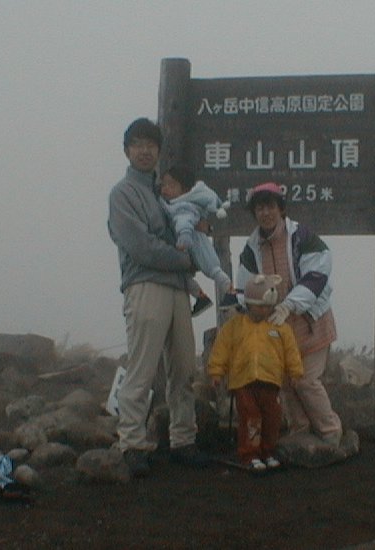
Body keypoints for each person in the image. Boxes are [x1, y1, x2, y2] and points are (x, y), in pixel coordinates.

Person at [107, 117, 209, 477]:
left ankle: (184, 440)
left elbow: (193, 229)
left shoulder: (166, 192)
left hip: (179, 289)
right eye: (137, 144)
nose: (145, 150)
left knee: (183, 368)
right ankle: (132, 444)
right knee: (142, 368)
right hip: (145, 285)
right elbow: (141, 248)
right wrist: (187, 259)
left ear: (159, 151)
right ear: (127, 151)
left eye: (151, 144)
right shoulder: (123, 194)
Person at [236, 182, 343, 447]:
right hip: (276, 329)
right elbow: (243, 288)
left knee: (305, 380)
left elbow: (317, 276)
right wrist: (252, 311)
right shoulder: (251, 249)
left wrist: (289, 305)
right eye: (259, 208)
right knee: (285, 382)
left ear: (281, 209)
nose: (265, 213)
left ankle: (330, 432)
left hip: (310, 322)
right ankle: (301, 433)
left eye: (270, 206)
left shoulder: (303, 238)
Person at [207, 274, 303, 471]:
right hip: (243, 382)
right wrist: (216, 372)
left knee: (272, 417)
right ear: (249, 304)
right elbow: (221, 349)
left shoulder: (280, 328)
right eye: (261, 306)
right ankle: (250, 454)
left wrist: (295, 373)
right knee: (251, 418)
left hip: (271, 381)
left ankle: (268, 451)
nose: (266, 310)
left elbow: (291, 351)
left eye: (269, 306)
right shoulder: (234, 327)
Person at [160, 165, 238, 312]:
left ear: (184, 189)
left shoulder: (182, 206)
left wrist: (184, 239)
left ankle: (230, 292)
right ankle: (201, 297)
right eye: (163, 185)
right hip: (191, 248)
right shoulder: (179, 204)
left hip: (195, 244)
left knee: (213, 269)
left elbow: (184, 222)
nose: (165, 189)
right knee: (183, 274)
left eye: (171, 185)